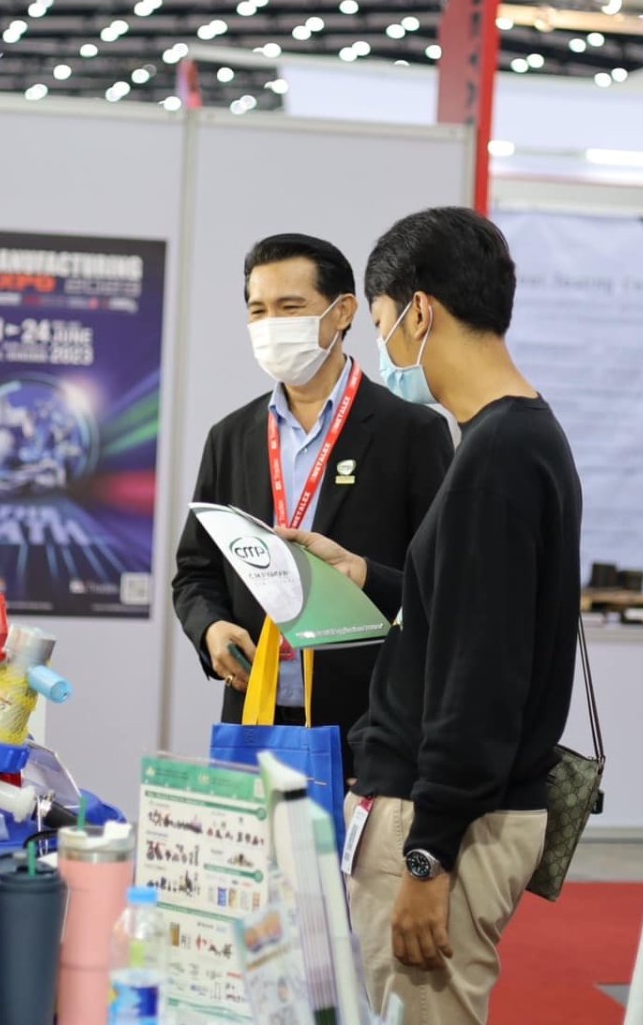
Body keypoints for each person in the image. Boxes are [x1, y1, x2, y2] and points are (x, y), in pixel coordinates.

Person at [285, 207, 582, 1025]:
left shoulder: (499, 454)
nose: (382, 347)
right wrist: (372, 577)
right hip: (444, 810)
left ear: (419, 311)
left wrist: (427, 853)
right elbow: (466, 614)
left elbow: (483, 673)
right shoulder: (512, 439)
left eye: (381, 321)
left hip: (447, 820)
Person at [172, 234, 452, 748]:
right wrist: (210, 628)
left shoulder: (411, 433)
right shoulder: (231, 436)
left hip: (368, 719)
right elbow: (196, 570)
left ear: (342, 312)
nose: (271, 325)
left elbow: (440, 583)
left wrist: (363, 576)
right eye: (258, 310)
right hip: (254, 710)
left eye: (290, 308)